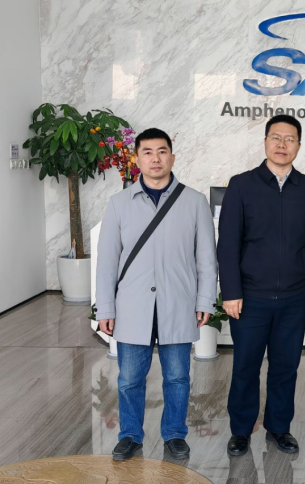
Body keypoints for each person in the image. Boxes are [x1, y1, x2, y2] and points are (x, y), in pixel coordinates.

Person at [95, 128, 217, 461]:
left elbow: (207, 259)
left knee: (177, 377)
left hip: (178, 304)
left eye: (162, 151)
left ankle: (174, 434)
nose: (155, 158)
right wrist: (105, 308)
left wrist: (205, 300)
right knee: (129, 379)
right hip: (132, 307)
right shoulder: (119, 204)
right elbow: (107, 262)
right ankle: (130, 435)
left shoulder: (194, 202)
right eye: (147, 152)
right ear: (137, 159)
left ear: (172, 157)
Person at [217, 114, 305, 457]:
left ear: (299, 146)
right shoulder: (241, 185)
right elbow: (228, 243)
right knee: (245, 366)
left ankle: (279, 427)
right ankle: (240, 430)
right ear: (265, 142)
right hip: (250, 296)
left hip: (296, 296)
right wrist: (231, 291)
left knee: (285, 367)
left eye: (289, 139)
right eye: (276, 138)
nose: (282, 144)